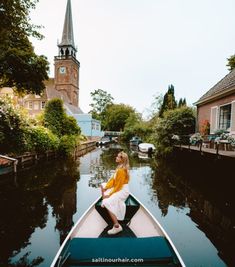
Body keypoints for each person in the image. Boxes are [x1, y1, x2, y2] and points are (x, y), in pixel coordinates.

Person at [100, 151, 130, 235]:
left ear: (122, 159)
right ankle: (104, 201)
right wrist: (106, 187)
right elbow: (113, 180)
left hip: (122, 190)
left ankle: (117, 226)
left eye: (118, 157)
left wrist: (109, 194)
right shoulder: (119, 167)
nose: (116, 157)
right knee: (102, 185)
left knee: (107, 202)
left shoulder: (121, 170)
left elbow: (118, 186)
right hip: (118, 187)